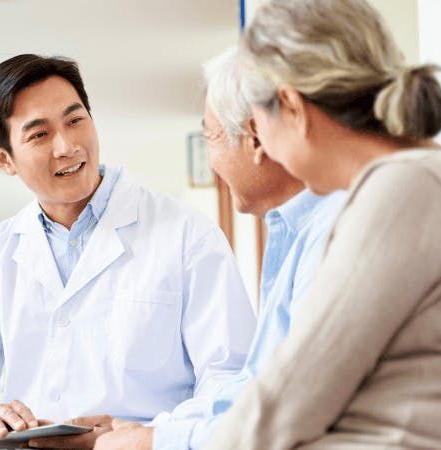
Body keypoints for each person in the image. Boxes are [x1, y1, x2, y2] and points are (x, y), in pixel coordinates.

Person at [206, 0, 441, 448]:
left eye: (257, 123)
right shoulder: (415, 180)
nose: (260, 143)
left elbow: (282, 404)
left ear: (290, 106)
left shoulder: (407, 189)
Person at [0, 54, 256, 450]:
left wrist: (150, 437)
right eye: (39, 135)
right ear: (4, 158)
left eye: (75, 121)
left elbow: (231, 378)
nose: (67, 146)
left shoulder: (187, 234)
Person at [94, 47, 346, 450]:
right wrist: (148, 432)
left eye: (210, 136)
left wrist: (153, 442)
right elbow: (252, 387)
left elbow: (292, 411)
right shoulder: (292, 233)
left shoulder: (334, 233)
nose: (210, 162)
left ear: (256, 137)